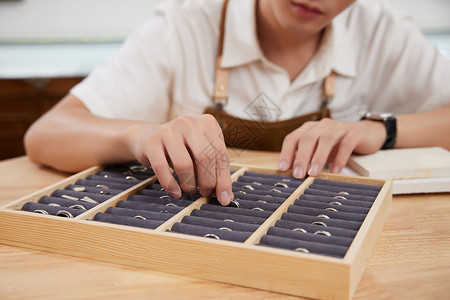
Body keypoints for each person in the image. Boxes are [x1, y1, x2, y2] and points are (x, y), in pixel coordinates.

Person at [24, 0, 450, 206]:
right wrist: (140, 134)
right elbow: (46, 135)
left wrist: (379, 128)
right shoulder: (188, 24)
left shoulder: (382, 32)